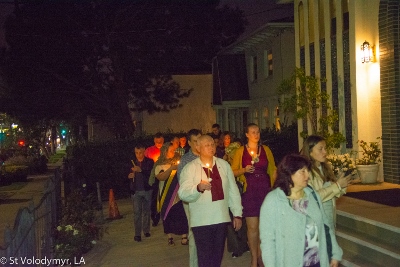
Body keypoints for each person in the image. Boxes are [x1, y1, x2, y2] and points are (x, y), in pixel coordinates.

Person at [259, 154, 343, 267]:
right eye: (302, 171)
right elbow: (268, 241)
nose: (307, 175)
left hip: (316, 261)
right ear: (289, 174)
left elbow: (325, 225)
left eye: (308, 171)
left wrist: (335, 253)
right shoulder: (274, 200)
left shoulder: (312, 195)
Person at [178, 135, 243, 267]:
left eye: (212, 144)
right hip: (201, 221)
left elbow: (233, 191)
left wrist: (237, 214)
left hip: (220, 218)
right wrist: (197, 188)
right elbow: (183, 193)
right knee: (204, 258)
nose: (211, 147)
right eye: (207, 145)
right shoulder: (191, 168)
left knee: (217, 257)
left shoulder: (223, 165)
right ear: (198, 148)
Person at [231, 123, 276, 267]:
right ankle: (254, 259)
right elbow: (232, 171)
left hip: (264, 190)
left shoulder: (266, 150)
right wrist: (244, 170)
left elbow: (273, 169)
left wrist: (275, 188)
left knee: (264, 227)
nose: (256, 134)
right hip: (249, 191)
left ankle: (262, 255)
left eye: (257, 132)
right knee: (252, 227)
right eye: (253, 132)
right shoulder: (240, 151)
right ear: (247, 134)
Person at [300, 135, 352, 229]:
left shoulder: (325, 168)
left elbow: (332, 195)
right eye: (320, 149)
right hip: (316, 222)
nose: (325, 152)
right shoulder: (306, 172)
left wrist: (342, 186)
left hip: (329, 219)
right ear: (310, 152)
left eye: (325, 148)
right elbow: (313, 197)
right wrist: (337, 186)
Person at [154, 143, 188, 246]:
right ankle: (170, 237)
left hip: (178, 194)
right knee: (167, 215)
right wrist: (171, 168)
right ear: (165, 152)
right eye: (171, 151)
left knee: (181, 215)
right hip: (166, 194)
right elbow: (161, 177)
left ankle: (184, 236)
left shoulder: (178, 163)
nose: (174, 152)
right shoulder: (159, 165)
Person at [177, 129, 202, 267]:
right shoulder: (186, 160)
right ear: (189, 143)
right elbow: (182, 183)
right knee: (194, 231)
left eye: (200, 140)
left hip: (207, 201)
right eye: (195, 141)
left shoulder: (207, 156)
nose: (198, 144)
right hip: (192, 200)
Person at [128, 143, 154, 242]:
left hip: (147, 190)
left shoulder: (149, 162)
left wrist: (141, 170)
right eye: (136, 153)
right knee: (137, 213)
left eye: (140, 152)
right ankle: (137, 234)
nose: (138, 155)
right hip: (136, 191)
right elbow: (126, 175)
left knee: (146, 212)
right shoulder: (132, 162)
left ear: (144, 152)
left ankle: (146, 230)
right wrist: (129, 176)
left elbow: (151, 174)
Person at [145, 132, 164, 226]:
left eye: (160, 142)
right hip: (154, 177)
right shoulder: (149, 150)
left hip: (165, 175)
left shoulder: (166, 149)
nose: (159, 144)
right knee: (154, 197)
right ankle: (154, 217)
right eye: (157, 142)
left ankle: (164, 216)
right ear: (154, 141)